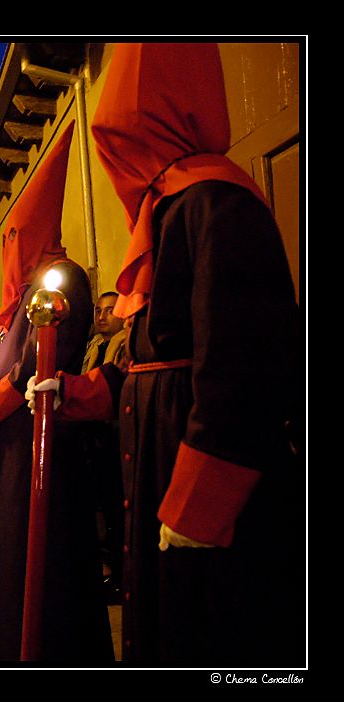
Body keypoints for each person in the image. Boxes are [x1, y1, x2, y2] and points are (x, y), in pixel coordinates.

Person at [32, 43, 303, 665]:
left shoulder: (215, 202)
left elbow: (243, 368)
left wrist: (200, 503)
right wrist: (78, 392)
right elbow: (145, 358)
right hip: (157, 457)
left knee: (211, 632)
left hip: (193, 464)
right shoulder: (167, 208)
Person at [0, 123, 111, 663]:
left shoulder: (60, 282)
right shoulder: (16, 300)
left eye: (16, 236)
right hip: (6, 459)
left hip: (40, 454)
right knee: (5, 559)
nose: (9, 247)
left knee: (43, 568)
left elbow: (30, 368)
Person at [81, 291, 128, 601]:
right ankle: (106, 568)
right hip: (95, 437)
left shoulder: (124, 343)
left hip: (117, 435)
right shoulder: (93, 347)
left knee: (117, 506)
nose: (101, 316)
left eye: (110, 310)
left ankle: (122, 575)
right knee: (99, 506)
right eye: (98, 310)